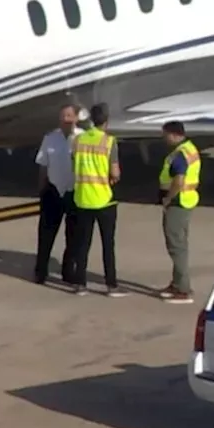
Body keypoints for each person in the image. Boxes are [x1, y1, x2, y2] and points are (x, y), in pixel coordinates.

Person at [68, 102, 125, 297]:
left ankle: (80, 284)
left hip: (82, 198)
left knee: (82, 244)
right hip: (104, 200)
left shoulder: (78, 140)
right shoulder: (109, 142)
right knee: (108, 245)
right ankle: (111, 285)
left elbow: (73, 163)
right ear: (106, 121)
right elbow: (115, 172)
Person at [33, 103, 80, 285]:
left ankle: (68, 271)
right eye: (62, 116)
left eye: (68, 116)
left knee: (73, 235)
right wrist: (41, 189)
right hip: (52, 190)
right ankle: (40, 271)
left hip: (74, 191)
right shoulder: (50, 138)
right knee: (46, 234)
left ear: (76, 118)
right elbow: (43, 164)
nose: (65, 120)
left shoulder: (82, 138)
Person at [157, 121, 199, 304]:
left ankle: (183, 290)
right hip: (187, 201)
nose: (163, 138)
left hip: (177, 203)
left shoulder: (180, 155)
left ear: (174, 134)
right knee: (180, 243)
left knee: (176, 247)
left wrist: (167, 198)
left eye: (165, 134)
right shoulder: (190, 148)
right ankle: (176, 283)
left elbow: (178, 180)